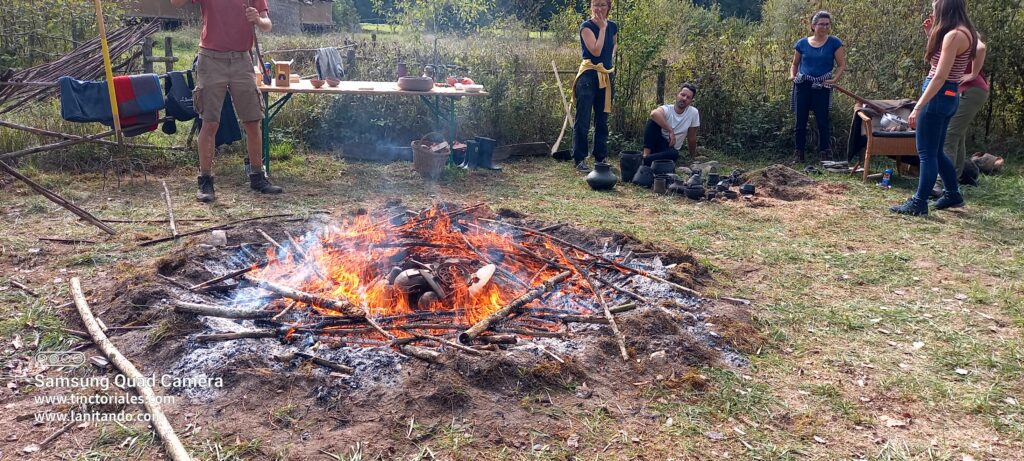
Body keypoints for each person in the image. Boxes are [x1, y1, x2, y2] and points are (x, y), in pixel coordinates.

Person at [170, 0, 282, 202]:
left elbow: (268, 24)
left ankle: (257, 176)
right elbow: (175, 2)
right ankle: (205, 181)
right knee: (210, 121)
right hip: (210, 59)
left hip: (242, 60)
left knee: (252, 120)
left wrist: (257, 19)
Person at [891, 0, 977, 215]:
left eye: (935, 5)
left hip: (938, 94)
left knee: (926, 153)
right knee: (936, 152)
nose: (933, 8)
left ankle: (919, 203)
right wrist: (931, 35)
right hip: (949, 95)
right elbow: (941, 63)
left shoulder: (954, 35)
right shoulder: (964, 31)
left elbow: (939, 75)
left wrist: (918, 107)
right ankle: (953, 194)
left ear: (945, 7)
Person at [789, 10, 846, 163]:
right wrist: (793, 76)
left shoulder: (835, 43)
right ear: (813, 26)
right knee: (800, 122)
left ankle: (824, 155)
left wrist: (834, 79)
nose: (825, 27)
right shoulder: (801, 43)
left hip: (822, 86)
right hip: (803, 85)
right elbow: (794, 64)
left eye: (827, 24)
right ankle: (798, 154)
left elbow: (841, 65)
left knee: (823, 121)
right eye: (821, 24)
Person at [571, 0, 618, 172]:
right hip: (589, 76)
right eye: (595, 4)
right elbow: (596, 51)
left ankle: (601, 156)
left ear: (608, 7)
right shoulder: (586, 26)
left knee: (602, 119)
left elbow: (613, 46)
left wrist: (610, 61)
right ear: (591, 6)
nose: (598, 8)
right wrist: (603, 28)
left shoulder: (614, 26)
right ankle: (580, 158)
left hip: (605, 74)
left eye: (602, 5)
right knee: (583, 118)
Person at [641, 83, 700, 166]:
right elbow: (654, 114)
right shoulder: (667, 109)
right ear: (677, 94)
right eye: (682, 95)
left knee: (674, 154)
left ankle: (644, 160)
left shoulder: (693, 113)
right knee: (652, 122)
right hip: (656, 143)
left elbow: (692, 137)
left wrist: (692, 156)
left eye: (688, 97)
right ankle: (645, 155)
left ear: (691, 101)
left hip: (669, 148)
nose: (684, 98)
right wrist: (670, 131)